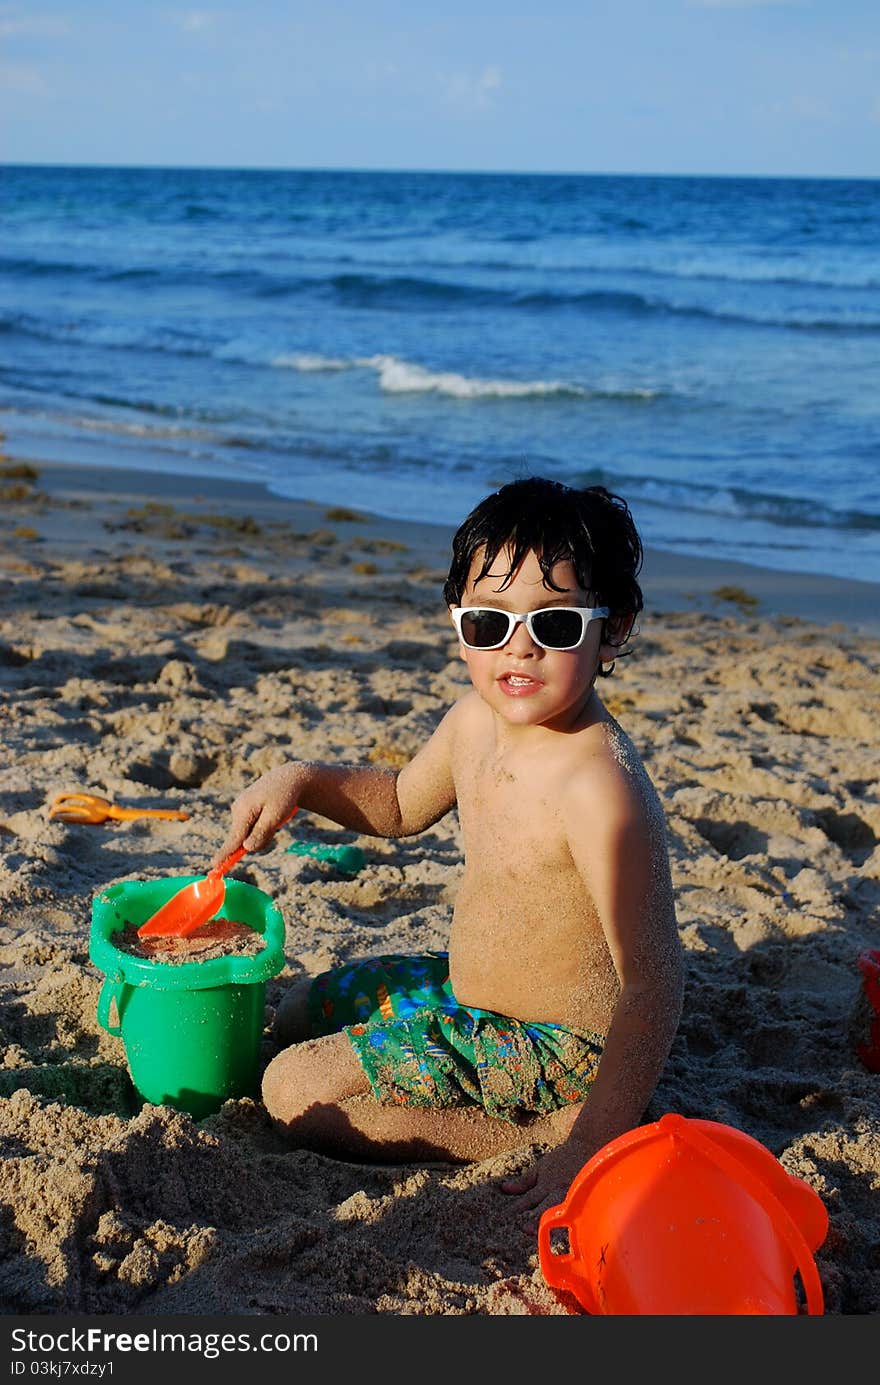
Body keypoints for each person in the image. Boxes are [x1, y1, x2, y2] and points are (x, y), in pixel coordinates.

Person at [213, 476, 684, 1227]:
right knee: (303, 1009)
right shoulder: (475, 720)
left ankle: (527, 1137)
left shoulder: (599, 789)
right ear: (457, 620)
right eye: (488, 622)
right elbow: (400, 802)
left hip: (556, 1054)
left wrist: (589, 1138)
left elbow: (654, 984)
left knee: (292, 1089)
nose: (518, 647)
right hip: (470, 999)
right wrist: (301, 781)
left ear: (614, 628)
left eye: (556, 625)